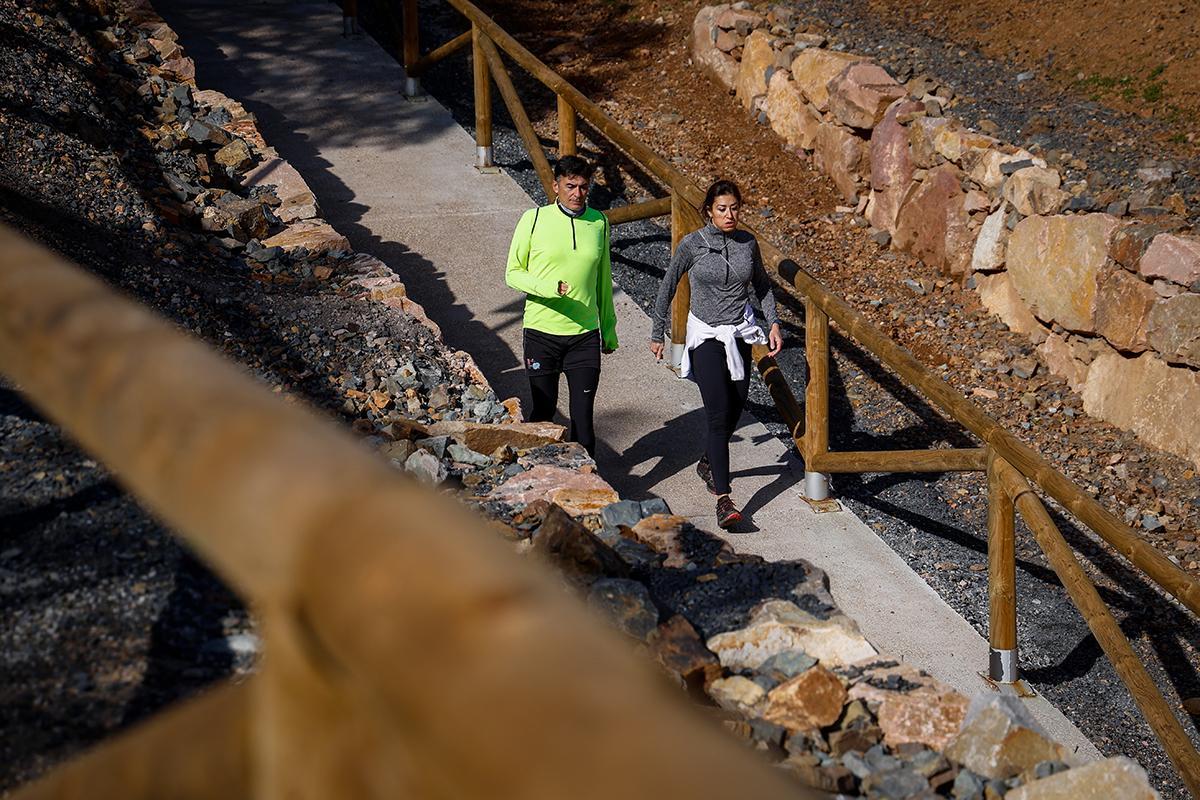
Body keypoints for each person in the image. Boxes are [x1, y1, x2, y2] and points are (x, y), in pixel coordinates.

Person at [649, 179, 782, 529]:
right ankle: (724, 500)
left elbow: (763, 286)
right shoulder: (692, 244)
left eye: (734, 208)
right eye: (722, 209)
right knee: (718, 415)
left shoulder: (747, 243)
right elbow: (668, 285)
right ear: (709, 210)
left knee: (736, 406)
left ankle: (709, 460)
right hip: (706, 335)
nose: (729, 215)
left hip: (739, 334)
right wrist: (657, 332)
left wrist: (773, 323)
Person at [505, 155, 618, 456]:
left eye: (583, 187)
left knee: (583, 422)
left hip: (584, 336)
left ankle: (588, 480)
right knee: (543, 412)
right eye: (570, 186)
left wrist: (608, 329)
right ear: (556, 186)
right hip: (541, 333)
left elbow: (603, 281)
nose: (577, 193)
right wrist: (549, 288)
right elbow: (513, 273)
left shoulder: (599, 222)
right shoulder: (533, 219)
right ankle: (535, 471)